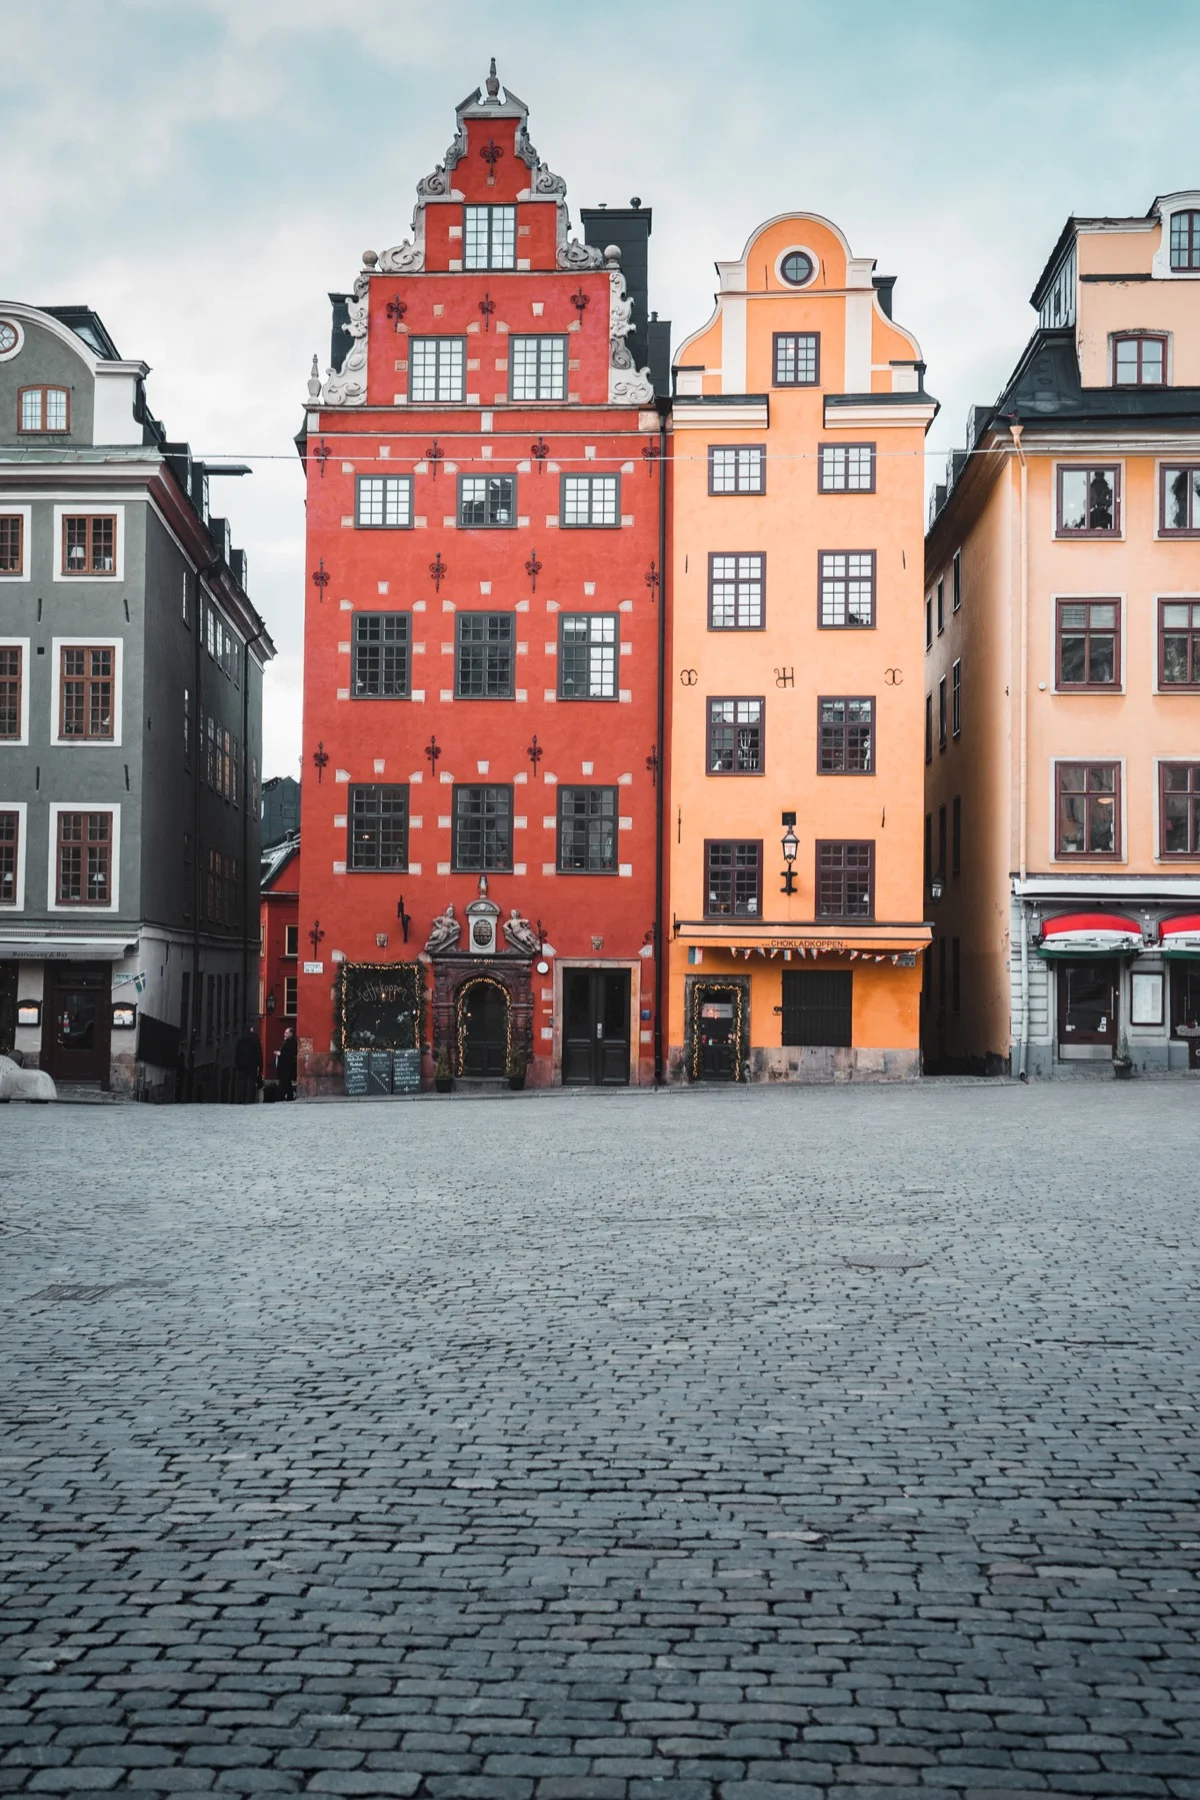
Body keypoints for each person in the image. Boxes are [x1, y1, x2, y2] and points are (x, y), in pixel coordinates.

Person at [233, 1026, 263, 1104]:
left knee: (242, 1082)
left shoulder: (240, 1039)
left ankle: (241, 1099)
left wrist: (237, 1064)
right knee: (251, 1082)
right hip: (252, 1064)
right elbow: (259, 1053)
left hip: (241, 1065)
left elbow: (236, 1053)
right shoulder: (255, 1039)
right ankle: (249, 1100)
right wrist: (260, 1066)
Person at [276, 1026, 298, 1102]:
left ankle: (282, 1097)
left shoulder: (292, 1042)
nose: (284, 1034)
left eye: (286, 1033)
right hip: (284, 1066)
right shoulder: (287, 1041)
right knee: (287, 1082)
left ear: (291, 1033)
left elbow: (290, 1053)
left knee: (284, 1082)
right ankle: (289, 1096)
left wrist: (280, 1054)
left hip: (287, 1066)